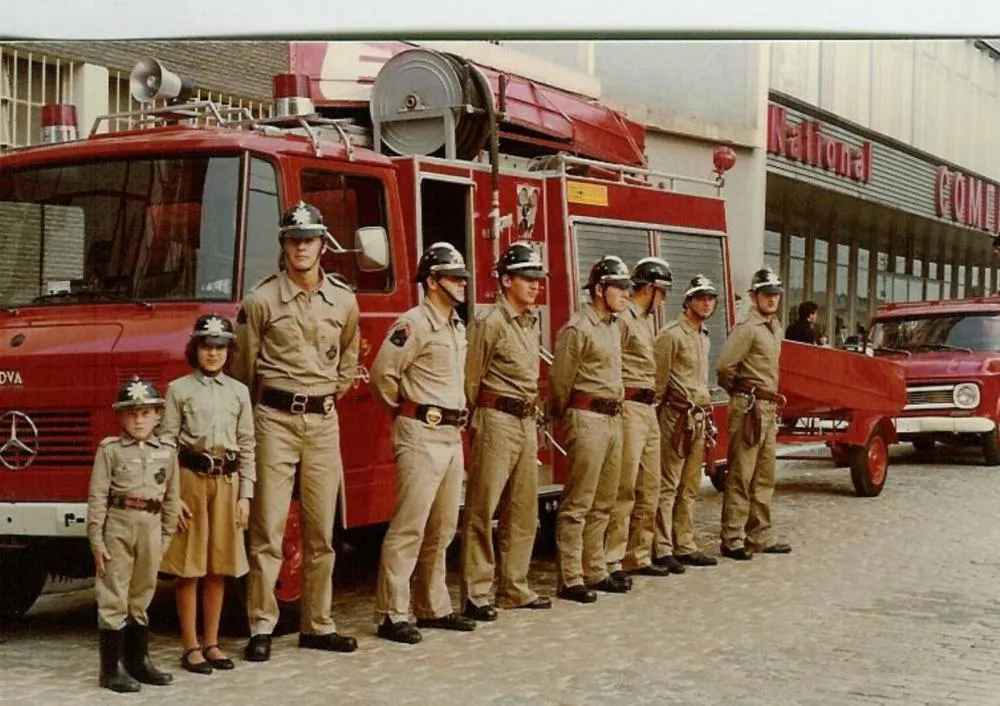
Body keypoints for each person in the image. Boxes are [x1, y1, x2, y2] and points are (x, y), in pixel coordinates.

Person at [231, 201, 360, 662]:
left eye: (309, 239)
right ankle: (262, 625)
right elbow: (243, 370)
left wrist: (325, 396)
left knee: (321, 530)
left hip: (324, 420)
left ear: (323, 244)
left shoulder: (344, 300)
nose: (302, 246)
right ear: (283, 245)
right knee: (267, 528)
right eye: (293, 239)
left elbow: (348, 360)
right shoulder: (261, 300)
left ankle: (318, 623)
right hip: (274, 419)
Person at [371, 242, 477, 644]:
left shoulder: (455, 325)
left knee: (444, 526)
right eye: (454, 277)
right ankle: (392, 613)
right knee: (410, 526)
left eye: (463, 276)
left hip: (451, 436)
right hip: (421, 433)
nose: (462, 283)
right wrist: (406, 413)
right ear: (432, 282)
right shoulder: (412, 324)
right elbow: (384, 374)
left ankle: (433, 605)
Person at [460, 242, 552, 621]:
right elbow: (470, 380)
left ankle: (514, 586)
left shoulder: (530, 323)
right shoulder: (489, 323)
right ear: (506, 280)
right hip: (496, 418)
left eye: (537, 279)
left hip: (525, 420)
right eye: (527, 279)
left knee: (523, 509)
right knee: (483, 508)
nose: (535, 286)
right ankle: (476, 593)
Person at [160, 314, 255, 674]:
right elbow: (167, 443)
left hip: (227, 483)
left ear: (229, 352)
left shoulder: (239, 392)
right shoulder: (178, 390)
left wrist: (246, 494)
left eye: (220, 347)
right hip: (190, 481)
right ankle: (190, 645)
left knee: (218, 567)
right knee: (189, 568)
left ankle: (212, 641)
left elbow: (247, 444)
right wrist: (172, 496)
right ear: (194, 349)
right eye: (206, 346)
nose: (212, 354)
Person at [86, 377, 179, 694]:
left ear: (157, 415)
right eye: (131, 413)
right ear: (121, 417)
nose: (138, 419)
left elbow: (171, 498)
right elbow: (98, 497)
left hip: (150, 527)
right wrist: (96, 540)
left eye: (145, 412)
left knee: (141, 595)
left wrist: (164, 538)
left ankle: (139, 662)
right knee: (114, 595)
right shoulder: (110, 451)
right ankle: (110, 670)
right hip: (120, 527)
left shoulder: (167, 452)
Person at [549, 255, 631, 603]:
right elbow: (560, 381)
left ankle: (595, 569)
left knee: (605, 500)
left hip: (613, 419)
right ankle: (570, 577)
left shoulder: (613, 326)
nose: (626, 294)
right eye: (620, 287)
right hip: (588, 418)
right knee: (579, 501)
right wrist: (565, 418)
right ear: (600, 289)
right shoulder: (578, 329)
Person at [605, 257, 673, 582]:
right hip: (630, 405)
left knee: (650, 484)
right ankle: (613, 558)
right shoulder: (624, 320)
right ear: (649, 288)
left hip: (648, 407)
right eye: (663, 291)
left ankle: (639, 553)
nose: (665, 299)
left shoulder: (645, 320)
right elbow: (612, 361)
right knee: (625, 486)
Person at [716, 266, 792, 561]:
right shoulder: (747, 328)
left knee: (764, 474)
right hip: (749, 407)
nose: (772, 299)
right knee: (741, 473)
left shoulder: (775, 328)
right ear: (753, 296)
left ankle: (759, 532)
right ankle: (732, 536)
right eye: (766, 294)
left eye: (775, 294)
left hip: (769, 407)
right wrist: (740, 393)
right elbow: (724, 367)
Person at [651, 275, 721, 572]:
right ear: (688, 301)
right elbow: (657, 380)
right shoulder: (671, 335)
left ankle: (685, 543)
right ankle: (663, 547)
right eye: (700, 297)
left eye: (710, 298)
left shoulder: (704, 335)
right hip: (675, 415)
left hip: (698, 416)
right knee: (668, 483)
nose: (706, 302)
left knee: (691, 484)